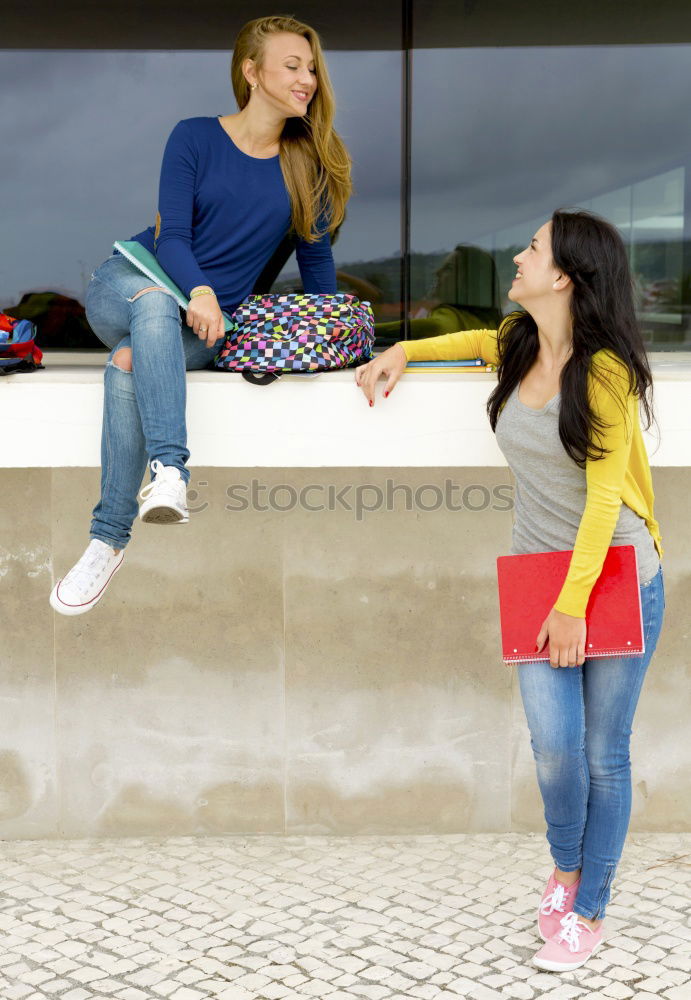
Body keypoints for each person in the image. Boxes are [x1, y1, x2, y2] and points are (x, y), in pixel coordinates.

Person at [356, 209, 664, 972]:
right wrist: (400, 349)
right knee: (554, 748)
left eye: (532, 248)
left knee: (602, 755)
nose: (518, 258)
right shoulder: (516, 340)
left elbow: (601, 502)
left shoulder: (607, 372)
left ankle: (586, 910)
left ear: (563, 275)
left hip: (614, 575)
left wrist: (571, 606)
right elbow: (463, 342)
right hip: (534, 572)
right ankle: (565, 870)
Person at [50, 14, 351, 616]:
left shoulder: (306, 166)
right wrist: (202, 293)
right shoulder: (193, 137)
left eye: (311, 67)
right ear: (251, 72)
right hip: (131, 282)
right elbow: (173, 239)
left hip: (197, 329)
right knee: (155, 302)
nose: (307, 78)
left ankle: (107, 541)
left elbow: (317, 271)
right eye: (292, 65)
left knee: (131, 362)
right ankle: (171, 470)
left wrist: (343, 348)